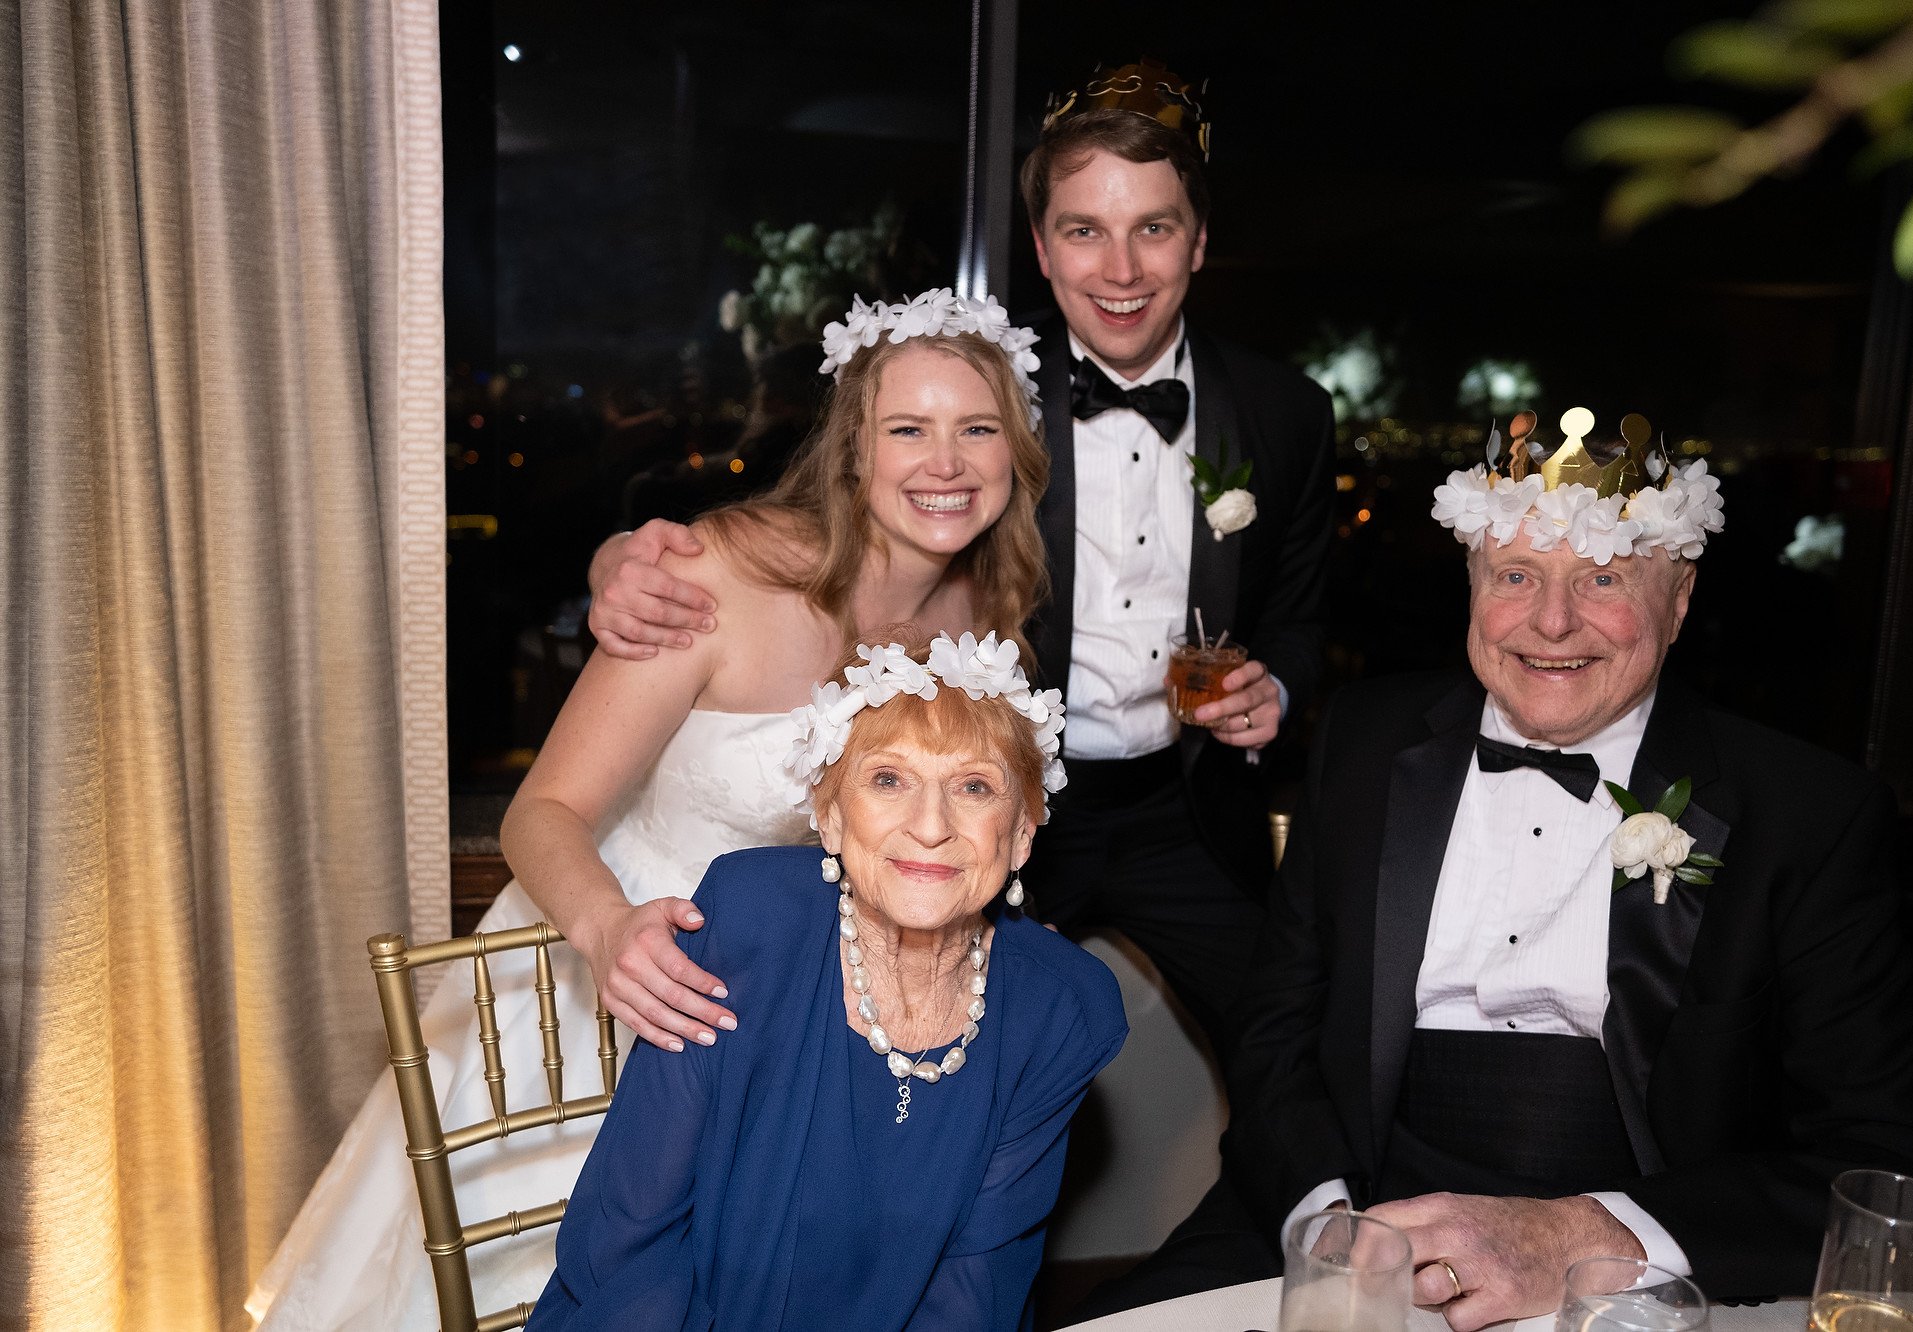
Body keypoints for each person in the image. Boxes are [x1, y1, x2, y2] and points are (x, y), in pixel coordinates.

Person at [249, 289, 1052, 1331]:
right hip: (619, 977)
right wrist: (606, 929)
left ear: (1014, 453)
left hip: (810, 1017)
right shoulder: (714, 578)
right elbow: (541, 811)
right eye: (907, 429)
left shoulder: (983, 613)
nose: (943, 462)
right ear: (854, 451)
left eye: (975, 429)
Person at [1086, 409, 1913, 1327]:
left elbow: (1908, 1164)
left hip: (1629, 1250)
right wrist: (1333, 1229)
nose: (1551, 622)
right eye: (1516, 574)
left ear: (1678, 602)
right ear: (1472, 586)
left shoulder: (1805, 813)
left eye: (1602, 578)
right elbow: (1274, 1029)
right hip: (1352, 1200)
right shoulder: (1362, 743)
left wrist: (1587, 1234)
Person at [584, 59, 1337, 1056]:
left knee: (1295, 1048)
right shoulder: (971, 385)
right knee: (969, 1076)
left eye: (1151, 228)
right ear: (1040, 244)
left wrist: (1274, 691)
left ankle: (1307, 1217)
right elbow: (795, 503)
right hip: (996, 805)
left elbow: (1304, 610)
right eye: (1083, 231)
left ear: (1196, 240)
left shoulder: (1286, 412)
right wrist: (614, 562)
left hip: (1188, 812)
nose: (1119, 270)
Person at [524, 634, 1125, 1330]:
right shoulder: (747, 924)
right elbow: (631, 1233)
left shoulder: (1060, 1009)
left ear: (1021, 833)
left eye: (974, 786)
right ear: (831, 816)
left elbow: (978, 1286)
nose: (931, 826)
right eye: (888, 779)